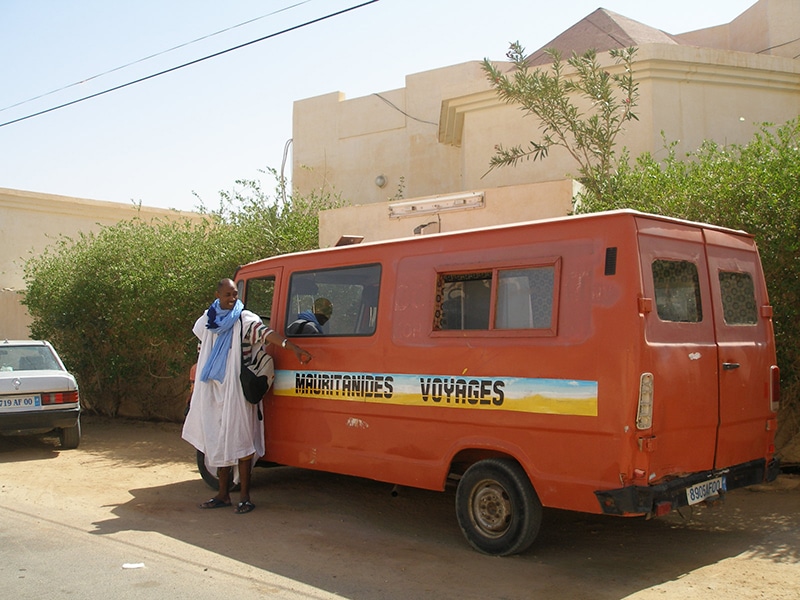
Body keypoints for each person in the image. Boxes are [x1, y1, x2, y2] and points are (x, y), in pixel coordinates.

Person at [182, 278, 312, 514]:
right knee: (217, 441)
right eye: (227, 295)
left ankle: (244, 497)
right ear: (217, 295)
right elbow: (203, 353)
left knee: (242, 442)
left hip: (237, 392)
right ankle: (223, 495)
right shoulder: (207, 321)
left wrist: (293, 348)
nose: (232, 299)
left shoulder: (244, 319)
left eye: (235, 294)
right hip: (213, 390)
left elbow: (266, 334)